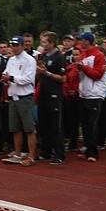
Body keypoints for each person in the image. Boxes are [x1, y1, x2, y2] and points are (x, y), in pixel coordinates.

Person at [1, 35, 37, 166]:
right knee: (15, 128)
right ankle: (17, 153)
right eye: (13, 45)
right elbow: (6, 73)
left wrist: (11, 78)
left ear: (22, 46)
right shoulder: (11, 60)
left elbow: (28, 79)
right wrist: (5, 79)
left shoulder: (30, 60)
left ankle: (32, 155)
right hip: (13, 97)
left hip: (25, 97)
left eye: (16, 45)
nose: (14, 48)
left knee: (29, 128)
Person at [36, 31, 66, 164]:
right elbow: (39, 75)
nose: (42, 44)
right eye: (41, 42)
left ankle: (59, 154)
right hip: (43, 93)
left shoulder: (59, 57)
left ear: (52, 43)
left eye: (44, 42)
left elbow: (62, 78)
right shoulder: (41, 56)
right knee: (43, 124)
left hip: (54, 94)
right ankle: (45, 151)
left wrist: (46, 73)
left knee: (55, 125)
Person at [76, 32, 106, 162]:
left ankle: (93, 152)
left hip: (95, 94)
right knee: (85, 124)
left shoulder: (99, 55)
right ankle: (88, 148)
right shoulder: (83, 55)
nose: (80, 42)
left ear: (87, 41)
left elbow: (98, 74)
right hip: (84, 93)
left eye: (81, 40)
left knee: (92, 124)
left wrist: (84, 68)